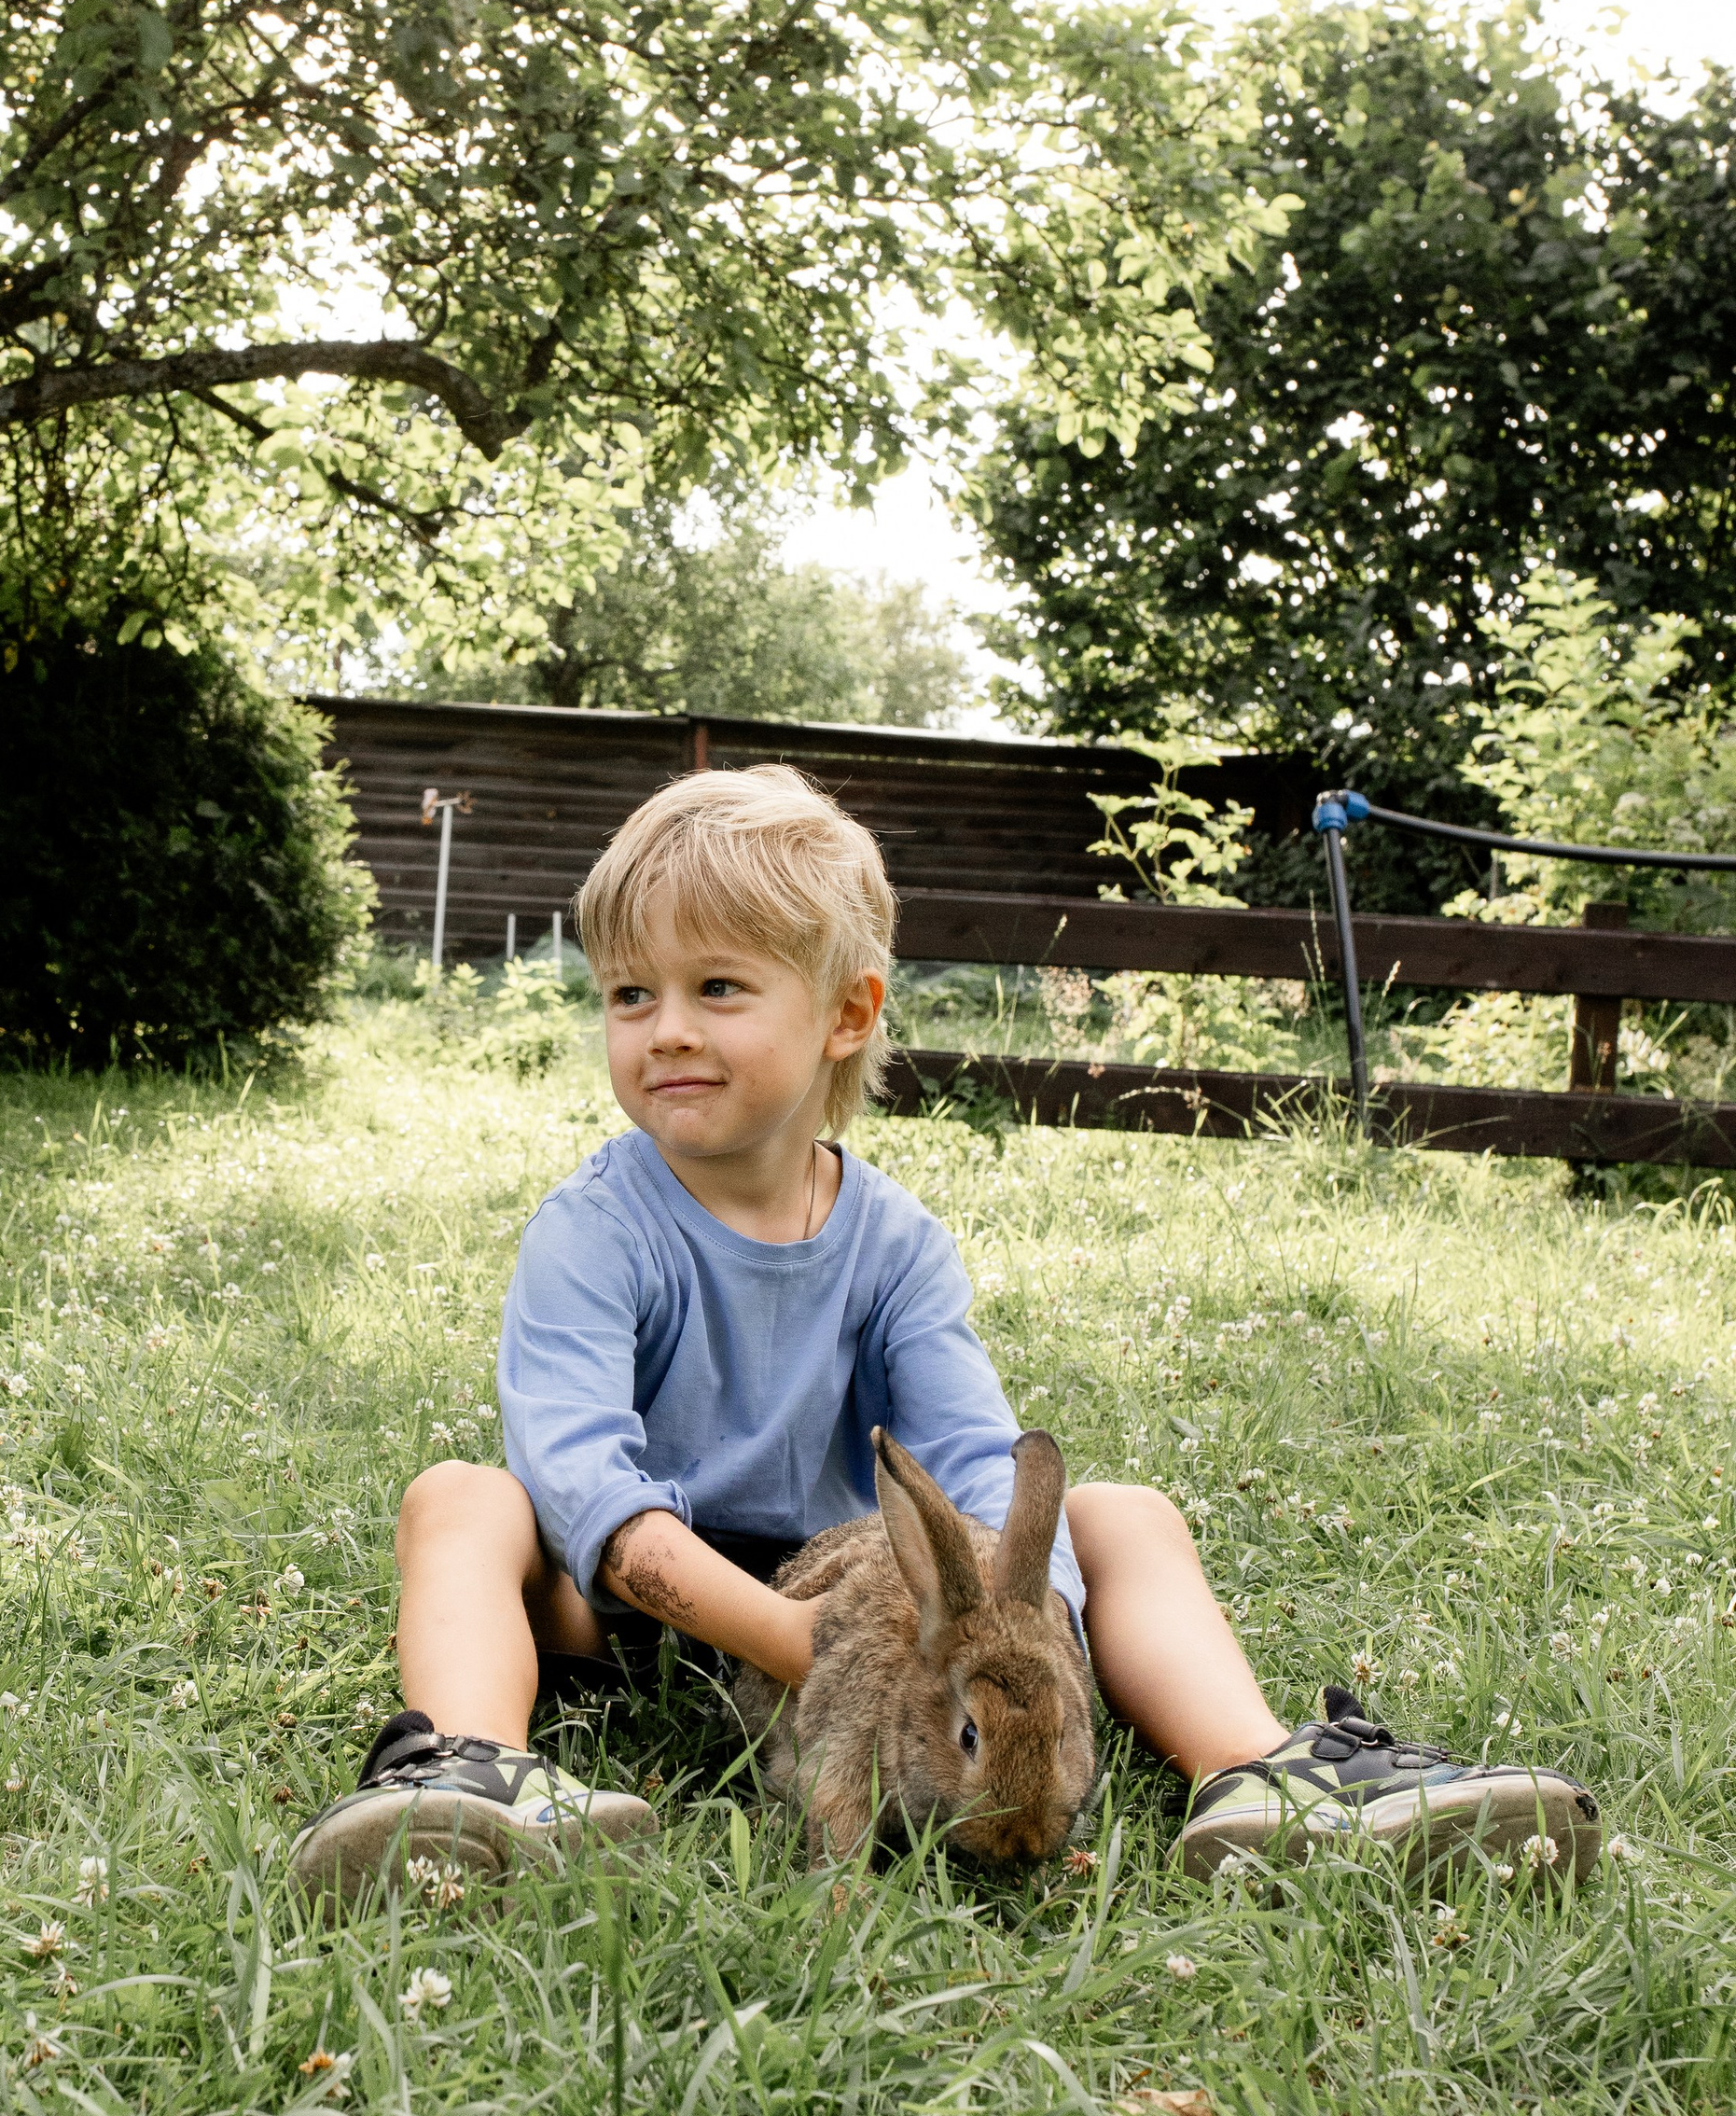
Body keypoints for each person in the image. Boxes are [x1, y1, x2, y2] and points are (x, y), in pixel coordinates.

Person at [288, 765, 1601, 1905]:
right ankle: (469, 1771)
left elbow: (978, 1462)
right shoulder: (597, 1229)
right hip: (644, 1599)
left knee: (1123, 1515)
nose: (665, 1028)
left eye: (719, 986)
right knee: (464, 1498)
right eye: (631, 995)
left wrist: (1006, 1637)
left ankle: (1262, 1776)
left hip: (875, 1594)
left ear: (845, 1016)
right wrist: (791, 1645)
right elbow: (582, 1476)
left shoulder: (897, 1243)